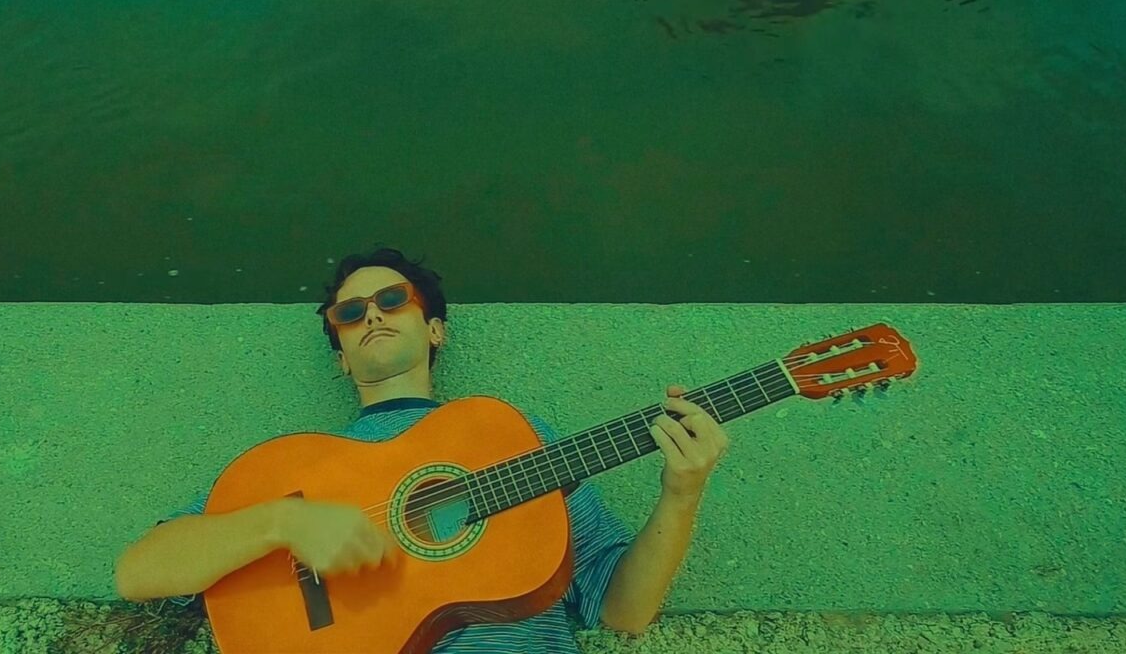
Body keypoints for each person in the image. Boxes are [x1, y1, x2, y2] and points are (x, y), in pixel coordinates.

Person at [113, 246, 728, 650]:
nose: (371, 316)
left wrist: (682, 493)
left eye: (392, 300)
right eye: (349, 312)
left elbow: (623, 609)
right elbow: (139, 572)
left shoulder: (516, 438)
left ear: (435, 330)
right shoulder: (292, 466)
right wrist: (282, 522)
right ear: (340, 357)